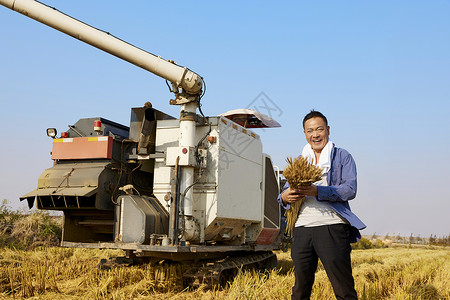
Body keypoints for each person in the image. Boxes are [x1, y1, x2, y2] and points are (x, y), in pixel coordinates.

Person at [278, 110, 366, 300]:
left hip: (332, 227)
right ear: (304, 134)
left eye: (319, 129)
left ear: (328, 130)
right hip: (302, 229)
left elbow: (350, 189)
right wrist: (285, 196)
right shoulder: (300, 161)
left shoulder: (342, 156)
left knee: (343, 288)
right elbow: (282, 196)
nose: (315, 134)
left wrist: (318, 191)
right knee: (300, 290)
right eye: (310, 131)